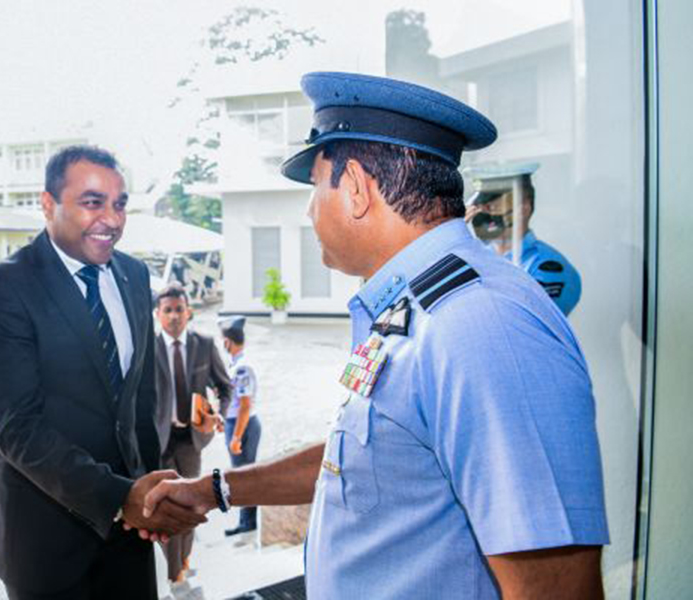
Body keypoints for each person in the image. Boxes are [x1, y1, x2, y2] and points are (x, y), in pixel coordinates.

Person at [144, 72, 609, 599]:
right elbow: (369, 462)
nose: (309, 210)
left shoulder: (484, 325)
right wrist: (217, 489)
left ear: (358, 189)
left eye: (317, 186)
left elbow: (558, 588)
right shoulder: (415, 308)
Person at [0, 145, 205, 600]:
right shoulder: (4, 288)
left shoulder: (135, 276)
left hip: (129, 530)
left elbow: (140, 402)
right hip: (44, 536)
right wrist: (120, 497)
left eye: (120, 204)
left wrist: (149, 493)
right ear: (47, 204)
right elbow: (16, 428)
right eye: (93, 202)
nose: (113, 220)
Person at [152, 283, 232, 584]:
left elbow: (226, 387)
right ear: (158, 315)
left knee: (190, 503)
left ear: (189, 312)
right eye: (167, 310)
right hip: (158, 441)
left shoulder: (204, 344)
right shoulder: (148, 348)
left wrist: (220, 414)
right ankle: (175, 573)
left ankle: (183, 560)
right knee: (167, 508)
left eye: (179, 309)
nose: (174, 316)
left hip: (191, 440)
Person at [463, 162, 582, 315]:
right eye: (479, 204)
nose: (480, 210)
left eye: (491, 203)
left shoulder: (547, 266)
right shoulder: (474, 256)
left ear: (523, 209)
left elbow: (526, 322)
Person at [217, 315, 261, 537]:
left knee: (243, 476)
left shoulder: (242, 368)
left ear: (228, 341)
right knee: (242, 474)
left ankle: (248, 522)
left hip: (242, 424)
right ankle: (247, 520)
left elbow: (245, 405)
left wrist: (236, 436)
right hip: (238, 422)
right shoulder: (237, 364)